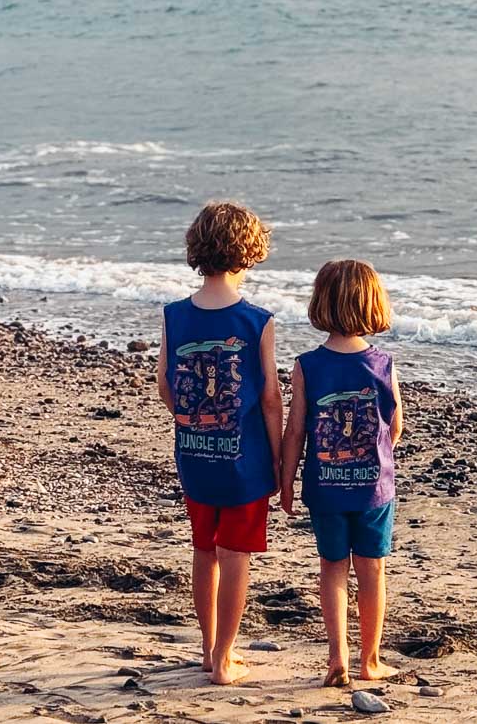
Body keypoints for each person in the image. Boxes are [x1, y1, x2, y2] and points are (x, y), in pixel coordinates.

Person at [156, 202, 282, 685]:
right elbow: (270, 398)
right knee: (235, 555)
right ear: (248, 252)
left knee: (203, 551)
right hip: (243, 461)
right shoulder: (257, 320)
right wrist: (276, 457)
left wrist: (193, 421)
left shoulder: (175, 315)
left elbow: (166, 384)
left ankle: (208, 650)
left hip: (194, 456)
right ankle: (226, 658)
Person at [280, 259, 404, 687]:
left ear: (322, 303)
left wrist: (286, 482)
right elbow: (396, 426)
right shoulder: (382, 364)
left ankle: (338, 657)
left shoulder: (307, 366)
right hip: (373, 489)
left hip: (325, 488)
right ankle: (370, 659)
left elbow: (295, 430)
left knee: (332, 567)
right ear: (372, 304)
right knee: (372, 570)